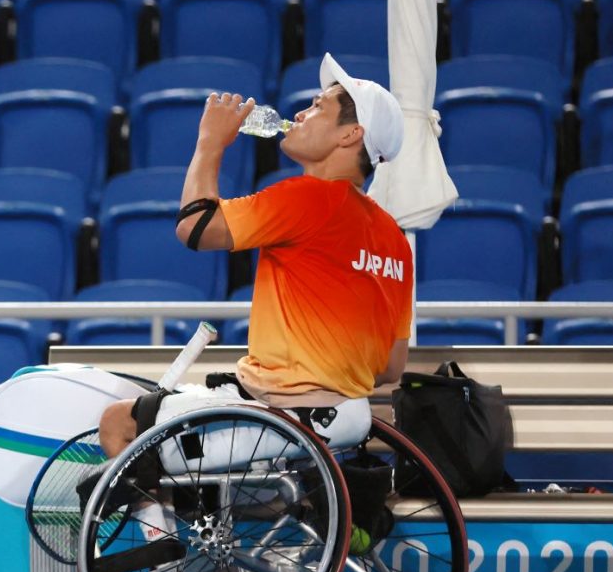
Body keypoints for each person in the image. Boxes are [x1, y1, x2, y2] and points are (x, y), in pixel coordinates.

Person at [98, 53, 413, 458]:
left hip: (286, 414)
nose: (300, 112)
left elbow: (194, 227)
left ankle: (156, 524)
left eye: (318, 106)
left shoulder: (310, 197)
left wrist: (210, 142)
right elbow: (390, 368)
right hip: (348, 418)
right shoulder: (395, 239)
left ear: (350, 135)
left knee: (117, 424)